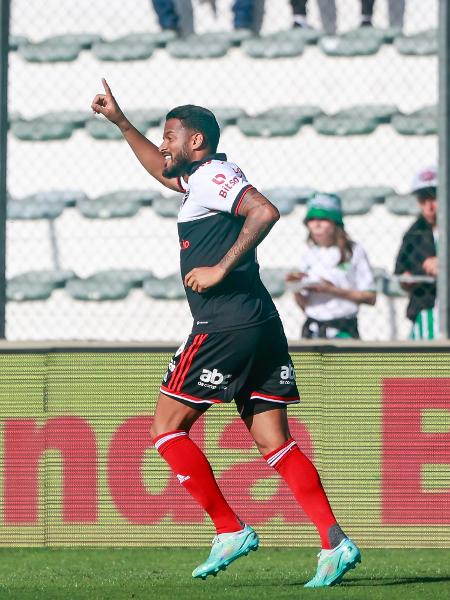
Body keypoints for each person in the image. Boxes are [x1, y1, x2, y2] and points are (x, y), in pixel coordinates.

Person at [91, 79, 362, 587]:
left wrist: (218, 267)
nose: (164, 143)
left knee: (167, 429)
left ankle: (228, 528)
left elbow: (264, 211)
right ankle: (334, 541)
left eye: (170, 135)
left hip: (225, 323)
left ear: (196, 142)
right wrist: (122, 123)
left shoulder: (214, 176)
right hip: (259, 321)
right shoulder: (200, 178)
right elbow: (160, 169)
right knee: (272, 440)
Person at [286, 193, 376, 339]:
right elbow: (306, 306)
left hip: (343, 330)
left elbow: (370, 297)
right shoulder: (309, 254)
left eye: (323, 219)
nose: (316, 225)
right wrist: (295, 288)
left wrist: (332, 290)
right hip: (313, 331)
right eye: (312, 219)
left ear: (335, 223)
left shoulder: (354, 251)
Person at [394, 166, 438, 340]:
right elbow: (400, 272)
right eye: (423, 199)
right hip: (426, 308)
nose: (429, 207)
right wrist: (407, 280)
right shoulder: (414, 233)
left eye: (434, 198)